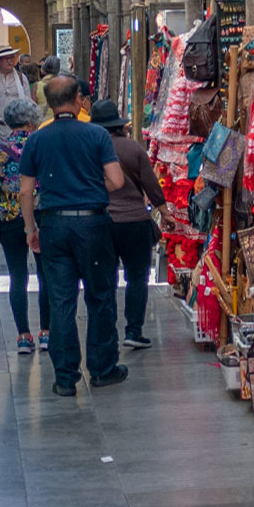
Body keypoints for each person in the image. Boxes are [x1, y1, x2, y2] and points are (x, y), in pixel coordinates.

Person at [18, 75, 126, 396]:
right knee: (100, 296)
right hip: (92, 223)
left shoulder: (37, 140)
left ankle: (65, 377)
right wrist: (91, 190)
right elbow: (117, 180)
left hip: (53, 223)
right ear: (79, 97)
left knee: (61, 299)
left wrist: (30, 228)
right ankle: (102, 368)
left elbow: (25, 191)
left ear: (49, 104)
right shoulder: (96, 134)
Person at [88, 100, 166, 350]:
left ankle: (107, 327)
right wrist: (165, 212)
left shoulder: (90, 149)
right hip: (134, 222)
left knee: (106, 279)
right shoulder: (133, 148)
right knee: (137, 278)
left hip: (102, 221)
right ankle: (134, 330)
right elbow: (151, 185)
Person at [0, 96, 48, 355]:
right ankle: (46, 332)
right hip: (41, 215)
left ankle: (23, 335)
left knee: (17, 276)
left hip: (9, 218)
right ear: (32, 120)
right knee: (46, 275)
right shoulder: (42, 146)